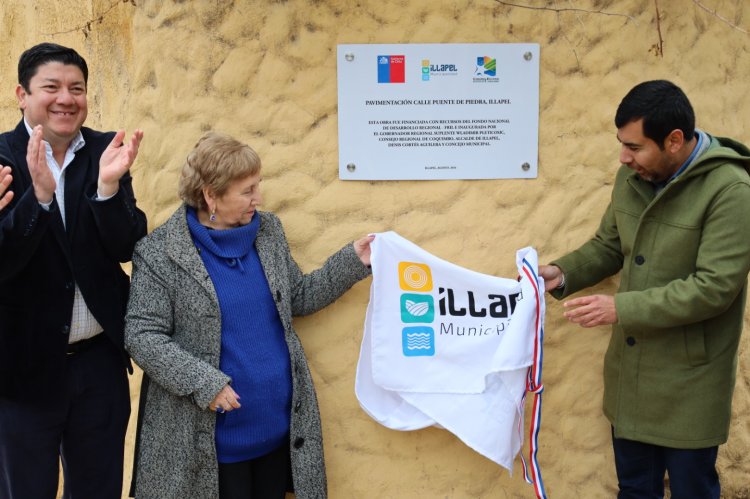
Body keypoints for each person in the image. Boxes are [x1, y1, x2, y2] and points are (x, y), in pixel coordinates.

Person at [125, 131, 374, 499]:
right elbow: (142, 336)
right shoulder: (160, 253)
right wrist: (205, 383)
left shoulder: (267, 231)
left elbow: (297, 298)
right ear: (211, 195)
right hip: (210, 446)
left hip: (276, 430)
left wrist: (353, 261)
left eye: (258, 186)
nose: (258, 198)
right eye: (247, 191)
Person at [539, 80, 750, 498]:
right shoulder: (630, 178)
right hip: (631, 376)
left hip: (690, 382)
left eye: (634, 147)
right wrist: (561, 274)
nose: (623, 157)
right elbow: (609, 245)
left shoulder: (731, 190)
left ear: (674, 140)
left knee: (693, 491)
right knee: (635, 490)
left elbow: (714, 288)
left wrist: (620, 308)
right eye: (622, 144)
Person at [0, 43, 147, 498]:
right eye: (52, 87)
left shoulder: (107, 150)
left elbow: (127, 246)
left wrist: (107, 189)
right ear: (23, 94)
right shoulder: (2, 159)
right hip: (21, 370)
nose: (67, 98)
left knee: (99, 489)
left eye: (76, 88)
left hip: (98, 364)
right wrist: (38, 202)